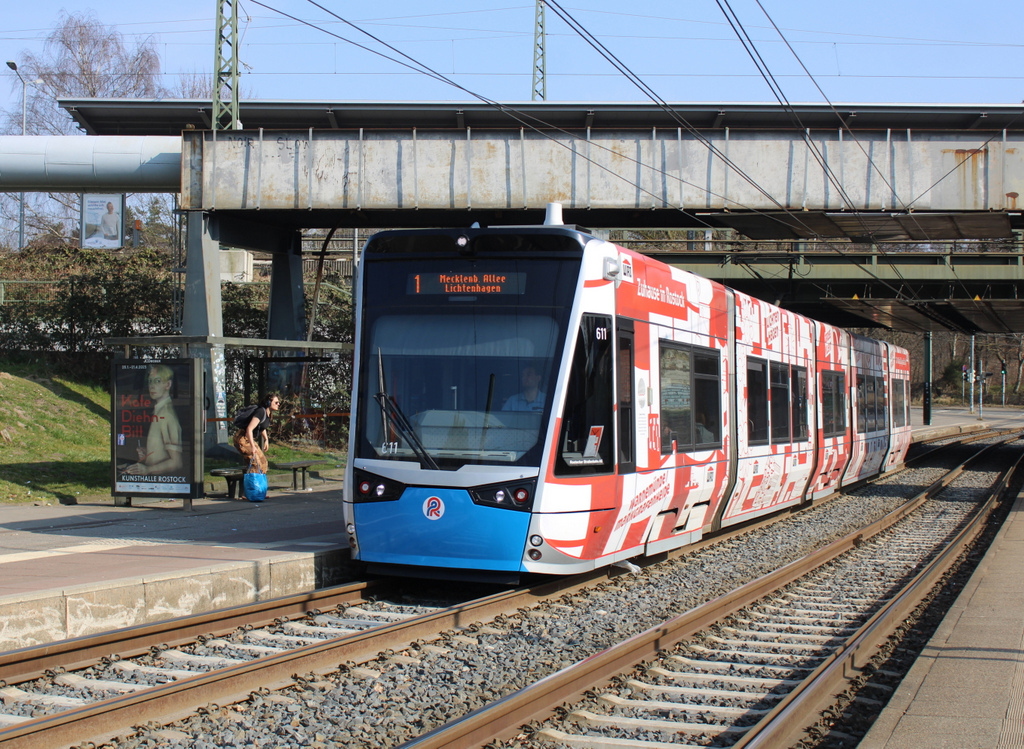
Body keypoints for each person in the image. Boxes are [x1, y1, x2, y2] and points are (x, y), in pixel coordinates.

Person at [123, 364, 183, 475]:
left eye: (158, 381)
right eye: (150, 381)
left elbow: (176, 462)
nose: (152, 386)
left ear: (168, 384)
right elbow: (165, 452)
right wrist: (150, 453)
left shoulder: (166, 415)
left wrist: (147, 470)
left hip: (164, 484)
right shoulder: (159, 411)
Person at [233, 393, 281, 474]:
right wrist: (252, 446)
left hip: (248, 439)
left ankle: (259, 483)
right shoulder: (260, 412)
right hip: (242, 439)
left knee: (263, 462)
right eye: (276, 402)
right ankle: (252, 485)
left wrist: (266, 439)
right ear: (269, 403)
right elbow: (249, 429)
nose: (278, 404)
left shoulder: (268, 414)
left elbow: (262, 427)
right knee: (256, 463)